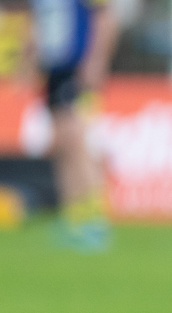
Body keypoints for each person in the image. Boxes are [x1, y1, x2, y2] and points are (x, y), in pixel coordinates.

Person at [25, 0, 116, 249]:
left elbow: (105, 17)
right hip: (53, 69)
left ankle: (94, 218)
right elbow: (39, 22)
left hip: (74, 68)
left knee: (76, 141)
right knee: (62, 144)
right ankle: (74, 215)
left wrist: (95, 63)